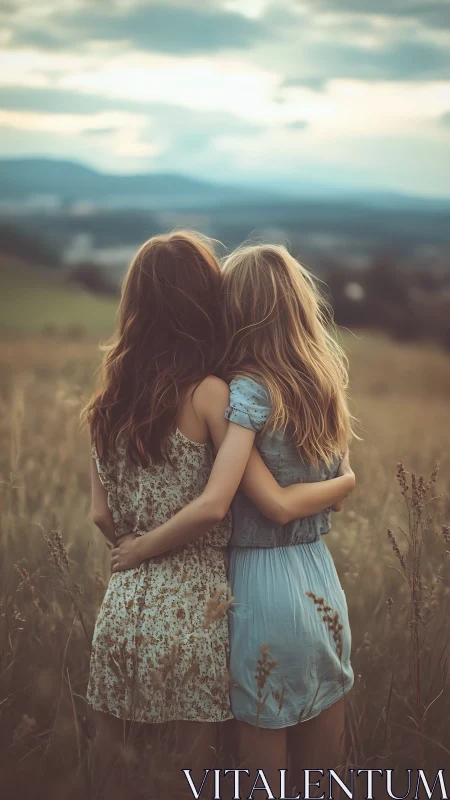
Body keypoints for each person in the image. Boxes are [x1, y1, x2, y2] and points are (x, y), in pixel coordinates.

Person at [112, 241, 356, 794]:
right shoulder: (323, 384)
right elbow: (337, 494)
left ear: (236, 314)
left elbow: (269, 503)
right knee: (325, 773)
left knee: (258, 776)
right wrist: (348, 482)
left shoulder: (245, 392)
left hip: (260, 584)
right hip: (321, 578)